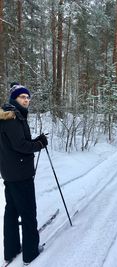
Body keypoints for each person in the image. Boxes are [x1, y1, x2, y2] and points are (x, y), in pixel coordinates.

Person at [0, 83, 48, 266]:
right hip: (20, 174)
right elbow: (20, 145)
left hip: (11, 172)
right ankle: (30, 252)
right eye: (22, 97)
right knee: (28, 212)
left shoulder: (9, 115)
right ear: (14, 99)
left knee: (11, 212)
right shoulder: (13, 118)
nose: (26, 100)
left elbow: (17, 143)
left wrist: (36, 141)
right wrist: (39, 145)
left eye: (28, 97)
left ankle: (11, 250)